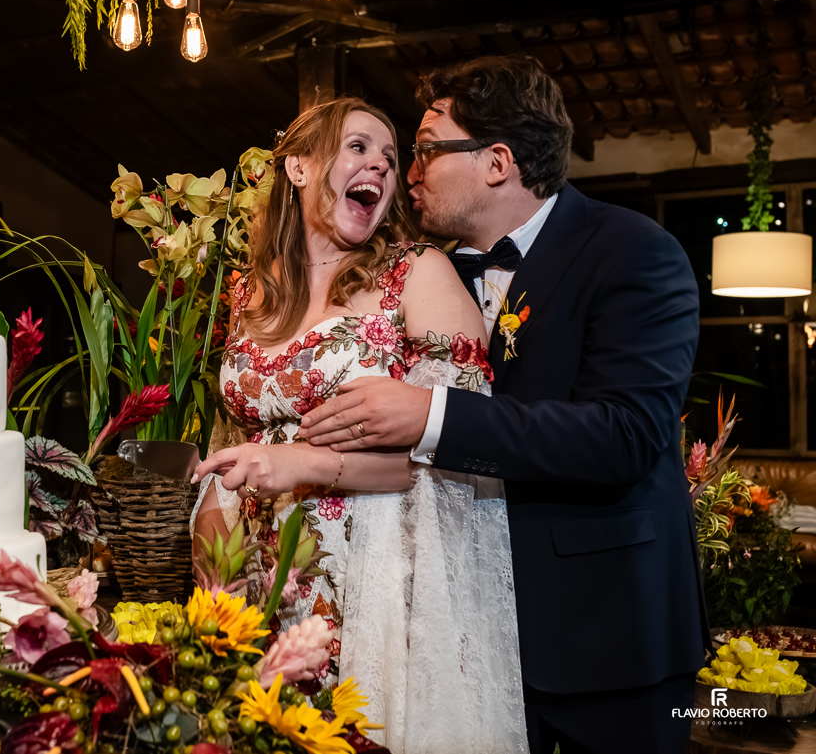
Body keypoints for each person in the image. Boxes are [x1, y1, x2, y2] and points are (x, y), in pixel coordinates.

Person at [300, 56, 705, 753]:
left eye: (425, 150)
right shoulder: (433, 273)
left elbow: (625, 434)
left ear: (496, 162)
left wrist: (430, 415)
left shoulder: (633, 250)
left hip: (606, 642)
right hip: (465, 640)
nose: (410, 172)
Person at [190, 96, 529, 752]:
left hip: (371, 588)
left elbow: (462, 452)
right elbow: (235, 436)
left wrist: (307, 464)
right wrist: (212, 508)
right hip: (257, 586)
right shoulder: (249, 291)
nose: (382, 163)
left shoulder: (416, 274)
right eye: (359, 147)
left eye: (391, 156)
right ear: (297, 167)